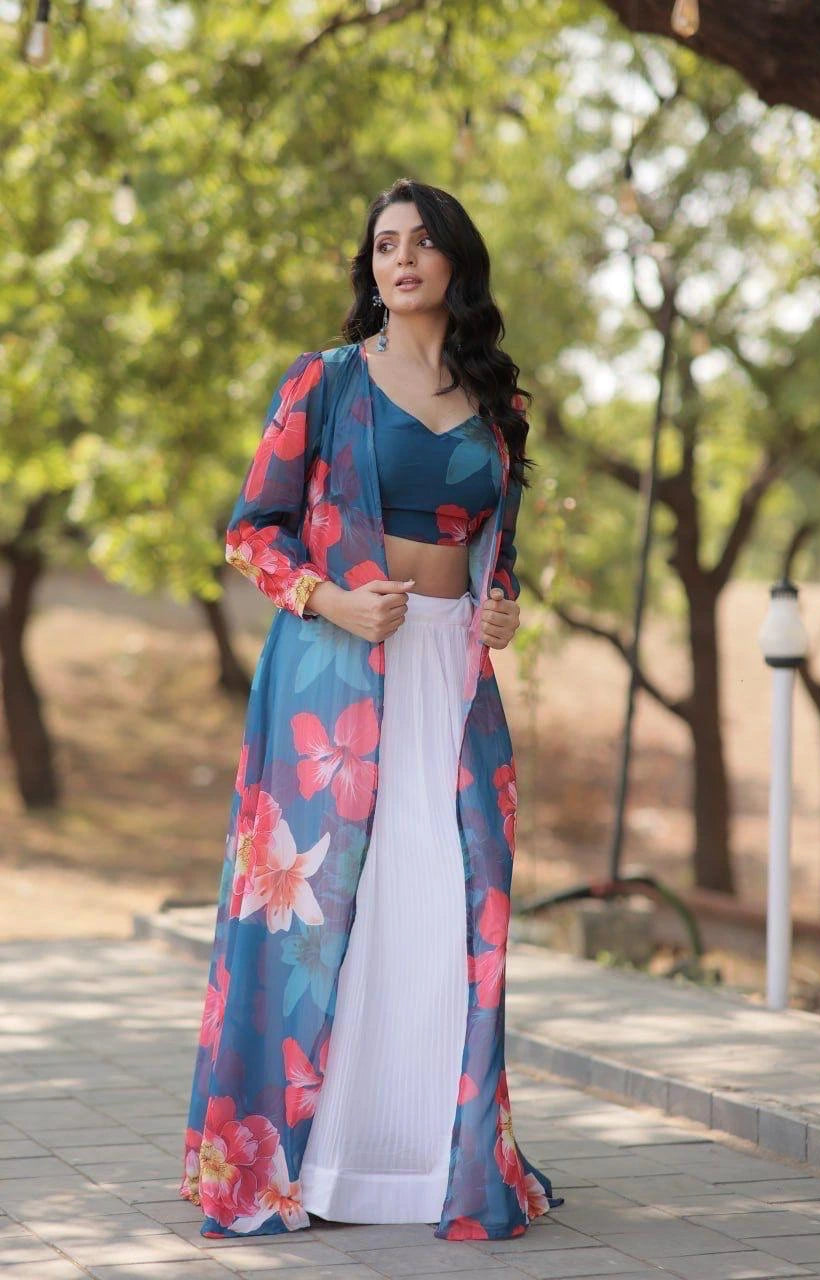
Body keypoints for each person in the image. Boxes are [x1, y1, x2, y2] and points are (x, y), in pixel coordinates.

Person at [179, 177, 564, 1243]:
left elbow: (502, 553)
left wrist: (502, 609)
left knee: (448, 911)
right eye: (384, 244)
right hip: (336, 684)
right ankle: (320, 1162)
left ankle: (427, 1164)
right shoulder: (326, 383)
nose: (400, 259)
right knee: (334, 916)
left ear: (454, 263)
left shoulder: (501, 401)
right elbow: (252, 530)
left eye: (421, 242)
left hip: (451, 679)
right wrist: (331, 597)